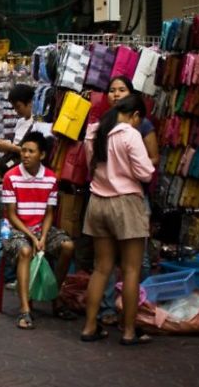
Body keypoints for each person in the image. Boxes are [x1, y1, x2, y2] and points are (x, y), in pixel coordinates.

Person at [80, 93, 155, 345]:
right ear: (134, 115)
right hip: (125, 203)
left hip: (98, 202)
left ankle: (90, 326)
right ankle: (129, 331)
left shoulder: (93, 132)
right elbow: (146, 173)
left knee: (101, 268)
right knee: (131, 269)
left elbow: (88, 165)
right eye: (138, 120)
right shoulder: (129, 134)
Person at [2, 132, 76, 329]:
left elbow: (49, 213)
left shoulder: (51, 178)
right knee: (25, 251)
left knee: (68, 246)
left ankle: (54, 295)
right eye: (23, 150)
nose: (25, 155)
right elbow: (11, 215)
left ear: (42, 155)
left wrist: (42, 237)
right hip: (16, 229)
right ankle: (25, 309)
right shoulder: (11, 176)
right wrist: (32, 238)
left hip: (41, 228)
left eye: (30, 151)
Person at [0, 83, 52, 160]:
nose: (16, 111)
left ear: (30, 102)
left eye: (18, 107)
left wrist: (10, 148)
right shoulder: (20, 122)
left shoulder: (38, 124)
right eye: (14, 108)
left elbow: (36, 152)